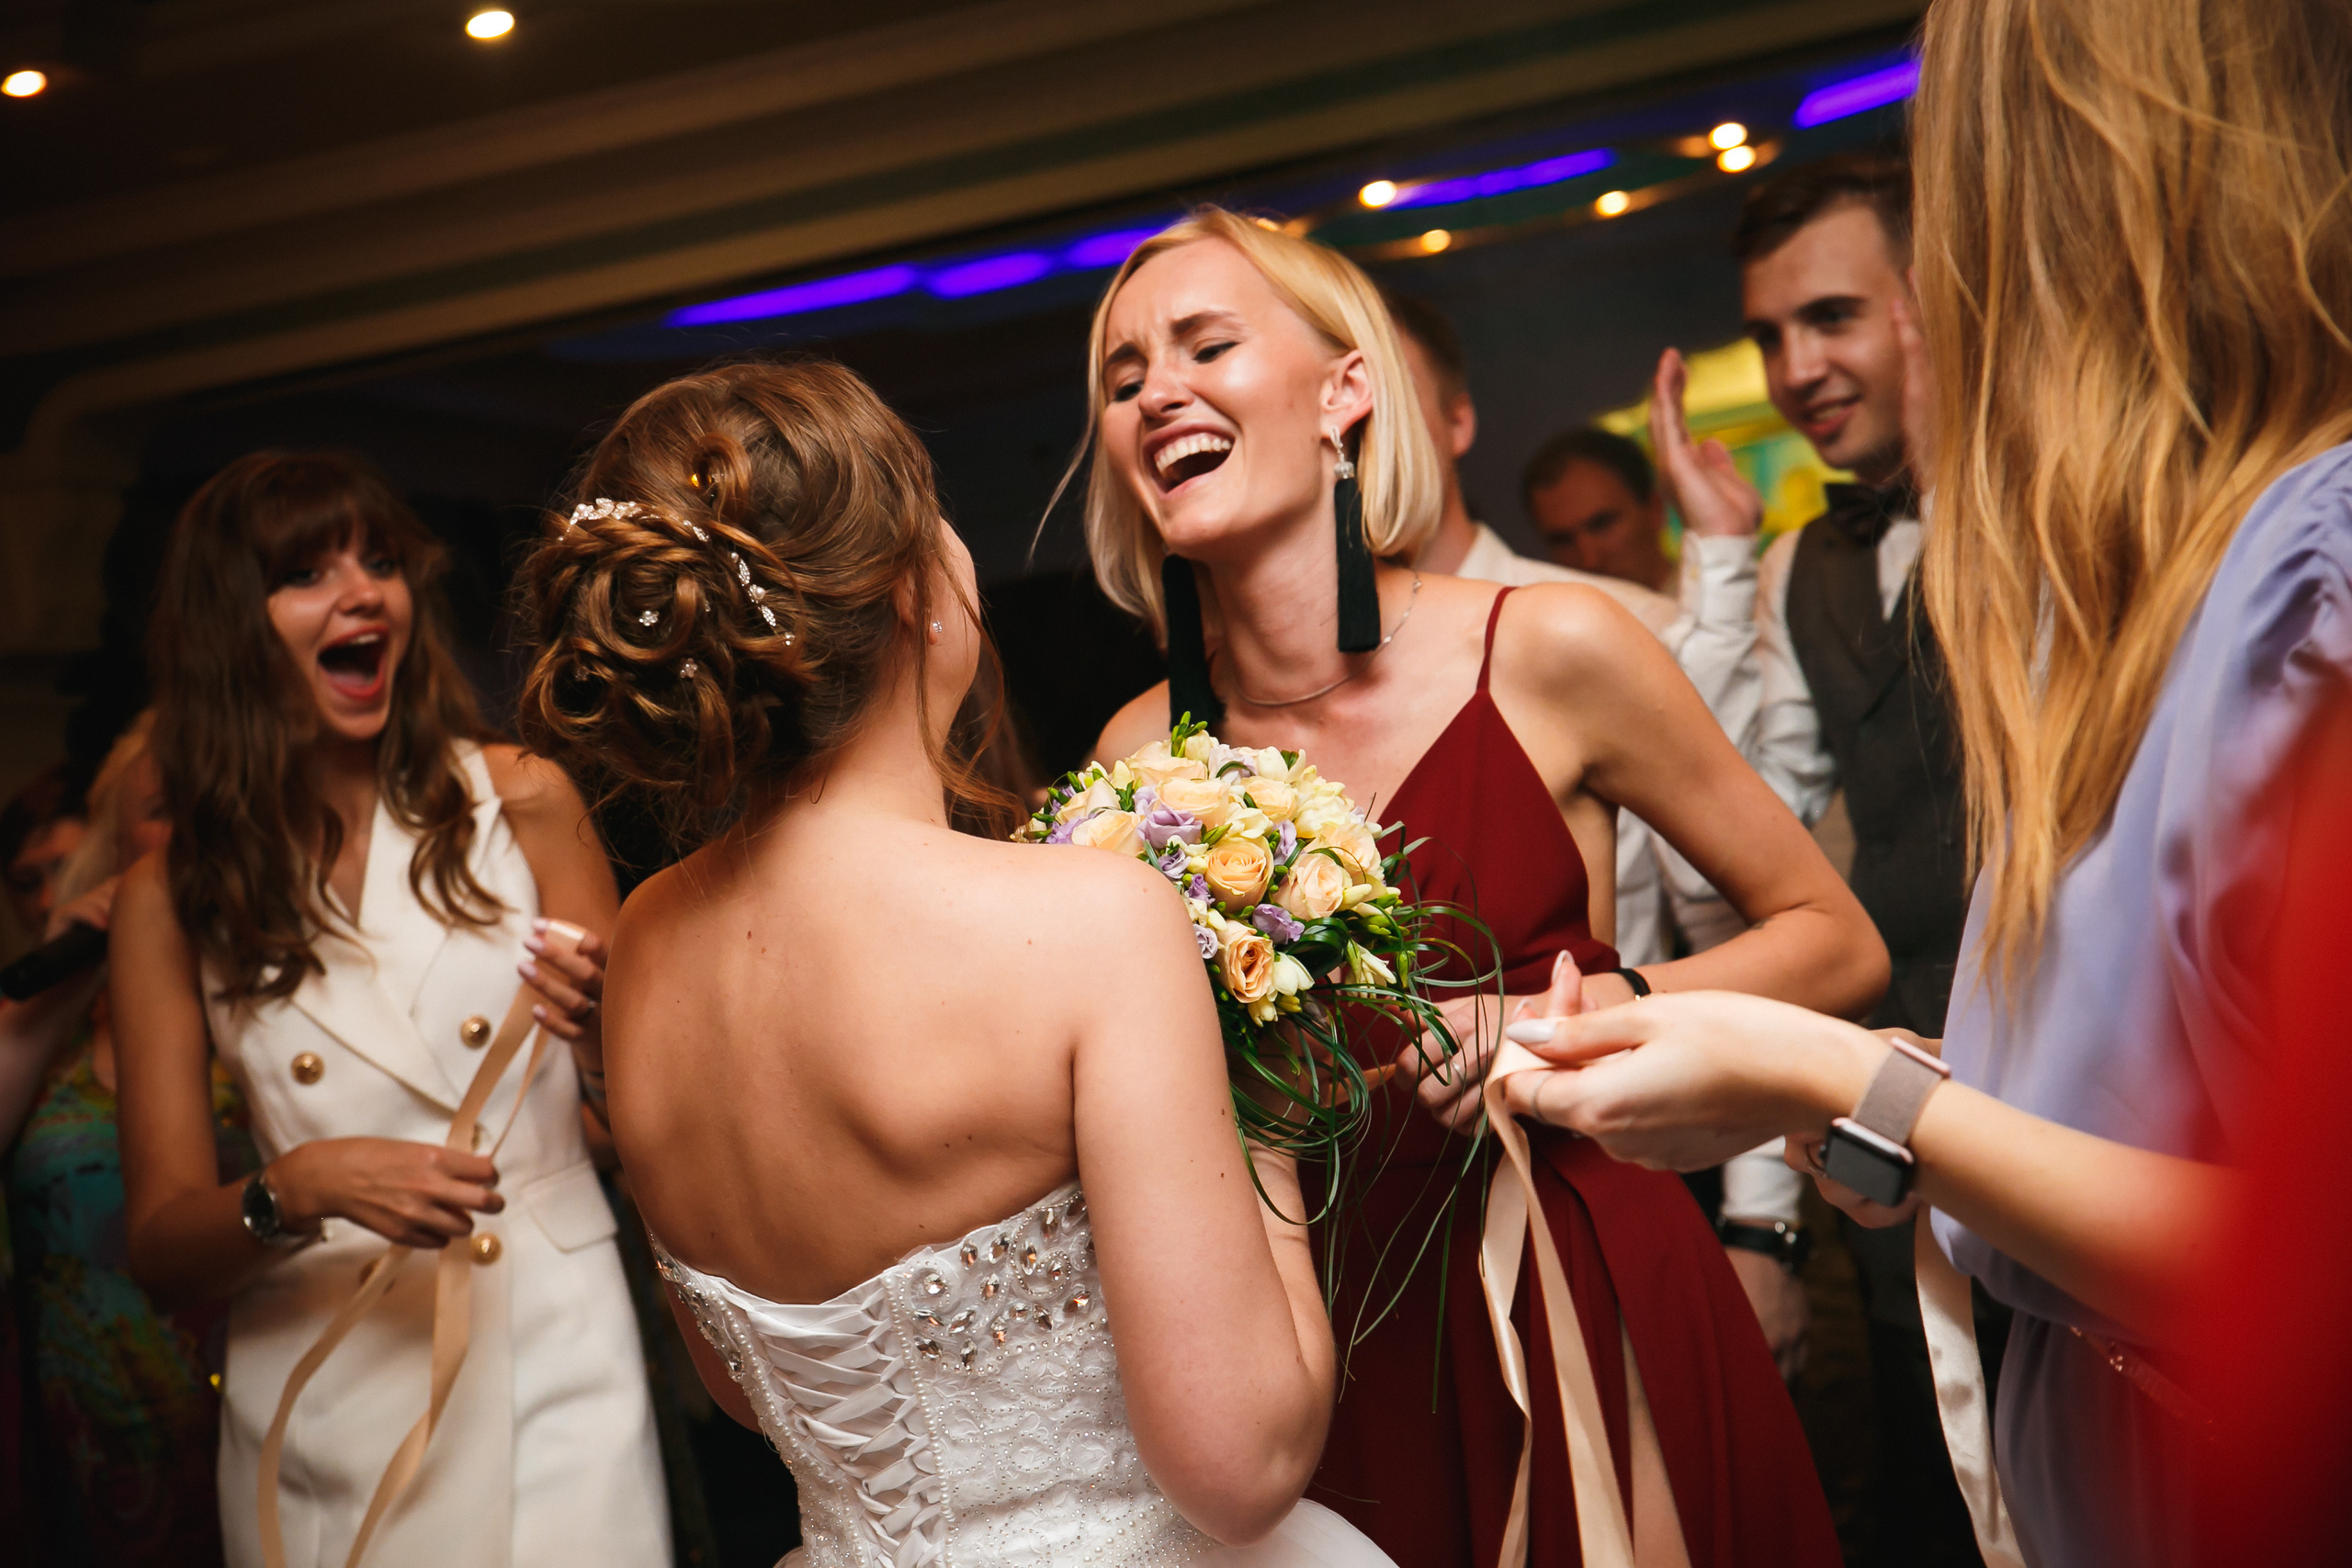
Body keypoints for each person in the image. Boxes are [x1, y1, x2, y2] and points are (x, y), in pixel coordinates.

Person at [1502, 1, 2352, 1562]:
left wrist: (1826, 1070)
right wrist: (1819, 1088)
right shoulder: (2133, 574)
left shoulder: (2312, 574)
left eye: (1965, 202)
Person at [1082, 206, 1882, 1566]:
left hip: (1579, 1282)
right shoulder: (1134, 759)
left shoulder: (1556, 644)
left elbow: (1835, 942)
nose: (1161, 390)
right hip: (1324, 1342)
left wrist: (1557, 1021)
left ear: (1346, 392)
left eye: (1206, 344)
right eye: (1122, 376)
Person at [512, 358, 1393, 1567]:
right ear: (912, 589)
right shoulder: (1092, 922)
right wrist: (1264, 1121)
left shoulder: (649, 948)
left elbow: (733, 1377)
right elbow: (1240, 1468)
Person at [108, 452, 670, 1568]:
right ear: (233, 625)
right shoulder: (172, 898)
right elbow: (165, 1249)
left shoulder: (523, 800)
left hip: (554, 1352)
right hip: (329, 1374)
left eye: (379, 562)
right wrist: (301, 1185)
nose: (362, 593)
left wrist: (604, 1039)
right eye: (306, 572)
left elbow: (642, 1138)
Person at [1647, 150, 1997, 1563]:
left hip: (2068, 1083)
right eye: (1771, 335)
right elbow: (1728, 863)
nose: (1795, 367)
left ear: (1933, 300)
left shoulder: (2057, 496)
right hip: (1887, 1100)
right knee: (1927, 1495)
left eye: (1833, 317)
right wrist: (1725, 556)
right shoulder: (1803, 565)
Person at [1387, 296, 1812, 1375]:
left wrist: (1764, 1229)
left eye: (1378, 395)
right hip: (1399, 1245)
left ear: (1451, 421)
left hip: (1627, 1162)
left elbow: (1739, 924)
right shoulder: (1279, 696)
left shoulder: (1588, 626)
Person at [6, 713, 254, 1565]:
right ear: (113, 840)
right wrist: (67, 973)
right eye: (161, 807)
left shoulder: (283, 1003)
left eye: (213, 803)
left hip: (257, 1427)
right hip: (85, 1460)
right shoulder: (58, 1013)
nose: (190, 829)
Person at [1522, 427, 1677, 595]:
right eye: (1562, 540)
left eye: (1602, 524)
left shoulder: (1706, 607)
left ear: (1655, 509)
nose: (1590, 560)